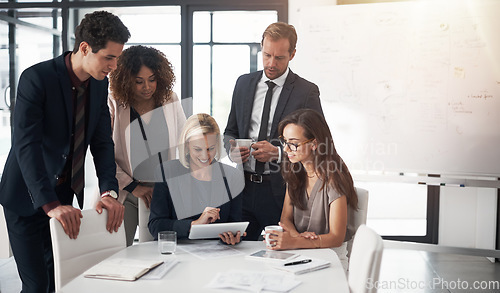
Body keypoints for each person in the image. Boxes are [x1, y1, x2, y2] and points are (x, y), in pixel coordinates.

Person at [0, 11, 130, 292]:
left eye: (117, 58)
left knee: (59, 280)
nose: (115, 66)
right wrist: (49, 205)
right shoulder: (37, 78)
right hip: (27, 196)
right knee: (37, 286)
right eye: (109, 57)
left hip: (64, 196)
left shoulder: (99, 82)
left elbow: (102, 142)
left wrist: (109, 191)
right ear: (85, 48)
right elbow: (26, 145)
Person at [224, 22, 324, 240]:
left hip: (281, 192)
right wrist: (231, 150)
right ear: (261, 47)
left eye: (279, 58)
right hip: (242, 189)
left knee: (280, 258)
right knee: (235, 253)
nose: (271, 63)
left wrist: (279, 153)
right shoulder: (243, 84)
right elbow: (229, 132)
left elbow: (320, 143)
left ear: (292, 54)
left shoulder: (306, 92)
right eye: (267, 55)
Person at [108, 45, 186, 246]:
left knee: (156, 254)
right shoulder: (114, 102)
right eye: (139, 82)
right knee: (118, 253)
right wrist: (134, 187)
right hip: (125, 191)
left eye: (152, 79)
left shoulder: (170, 99)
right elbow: (104, 153)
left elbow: (185, 141)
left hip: (161, 193)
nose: (147, 87)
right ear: (126, 81)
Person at [267, 109, 358, 272]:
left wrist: (295, 242)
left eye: (293, 143)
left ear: (314, 144)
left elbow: (336, 238)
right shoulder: (295, 171)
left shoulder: (334, 178)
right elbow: (285, 219)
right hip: (301, 252)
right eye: (284, 141)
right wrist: (297, 237)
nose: (286, 150)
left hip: (331, 256)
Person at [149, 113, 245, 245]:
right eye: (198, 149)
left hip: (218, 253)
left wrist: (235, 237)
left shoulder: (232, 177)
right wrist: (194, 224)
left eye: (210, 149)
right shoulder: (168, 172)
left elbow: (236, 224)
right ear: (187, 145)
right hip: (178, 251)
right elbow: (156, 226)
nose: (205, 156)